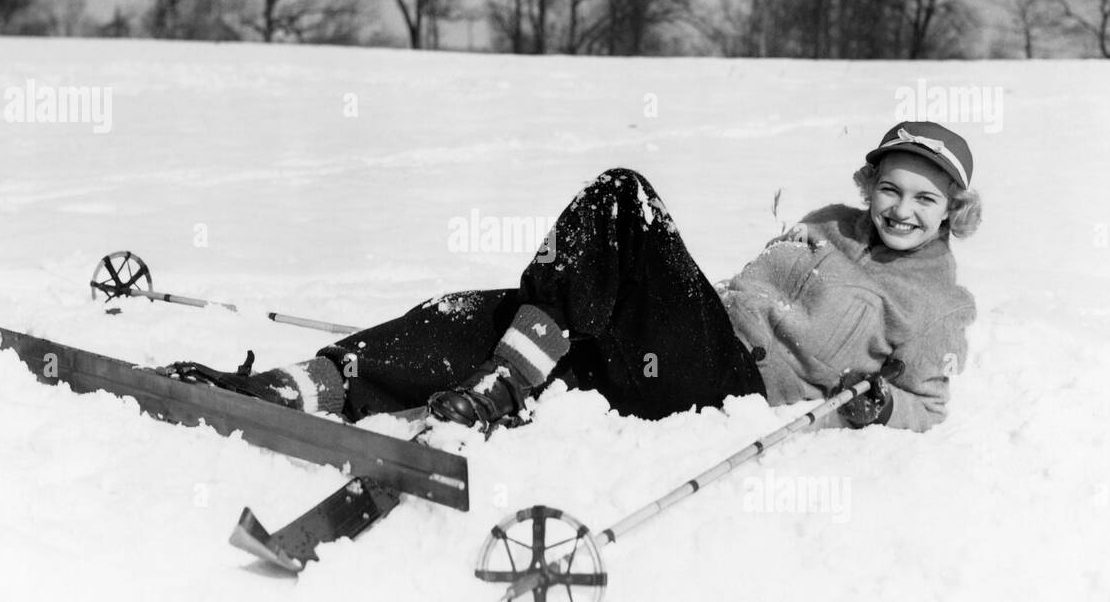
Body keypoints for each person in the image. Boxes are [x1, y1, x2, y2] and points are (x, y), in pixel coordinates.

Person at [172, 121, 980, 434]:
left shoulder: (936, 301)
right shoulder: (826, 223)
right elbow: (746, 287)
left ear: (952, 211)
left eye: (925, 199)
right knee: (480, 311)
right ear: (868, 183)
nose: (902, 209)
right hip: (685, 341)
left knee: (624, 196)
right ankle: (307, 388)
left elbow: (930, 404)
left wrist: (880, 404)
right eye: (891, 189)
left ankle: (510, 381)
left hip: (726, 383)